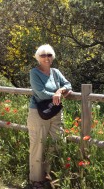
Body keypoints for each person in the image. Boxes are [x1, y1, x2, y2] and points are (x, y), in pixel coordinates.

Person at [27, 44, 72, 189]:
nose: (46, 58)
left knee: (58, 142)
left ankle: (51, 175)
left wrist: (61, 89)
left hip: (55, 112)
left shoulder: (56, 72)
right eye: (43, 55)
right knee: (37, 144)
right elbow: (39, 93)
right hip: (38, 113)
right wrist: (56, 94)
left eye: (49, 55)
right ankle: (36, 180)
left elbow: (68, 85)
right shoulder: (34, 72)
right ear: (38, 58)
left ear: (52, 57)